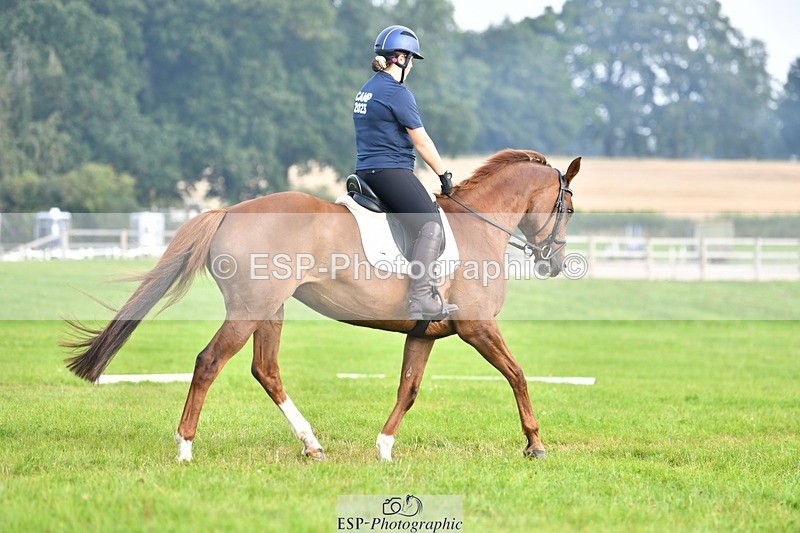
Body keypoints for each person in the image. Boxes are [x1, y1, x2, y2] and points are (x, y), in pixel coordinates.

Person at [352, 24, 457, 321]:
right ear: (400, 58)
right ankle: (421, 297)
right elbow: (421, 141)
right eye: (411, 60)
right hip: (390, 170)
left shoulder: (367, 89)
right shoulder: (397, 93)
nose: (411, 67)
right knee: (431, 224)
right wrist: (444, 175)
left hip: (366, 171)